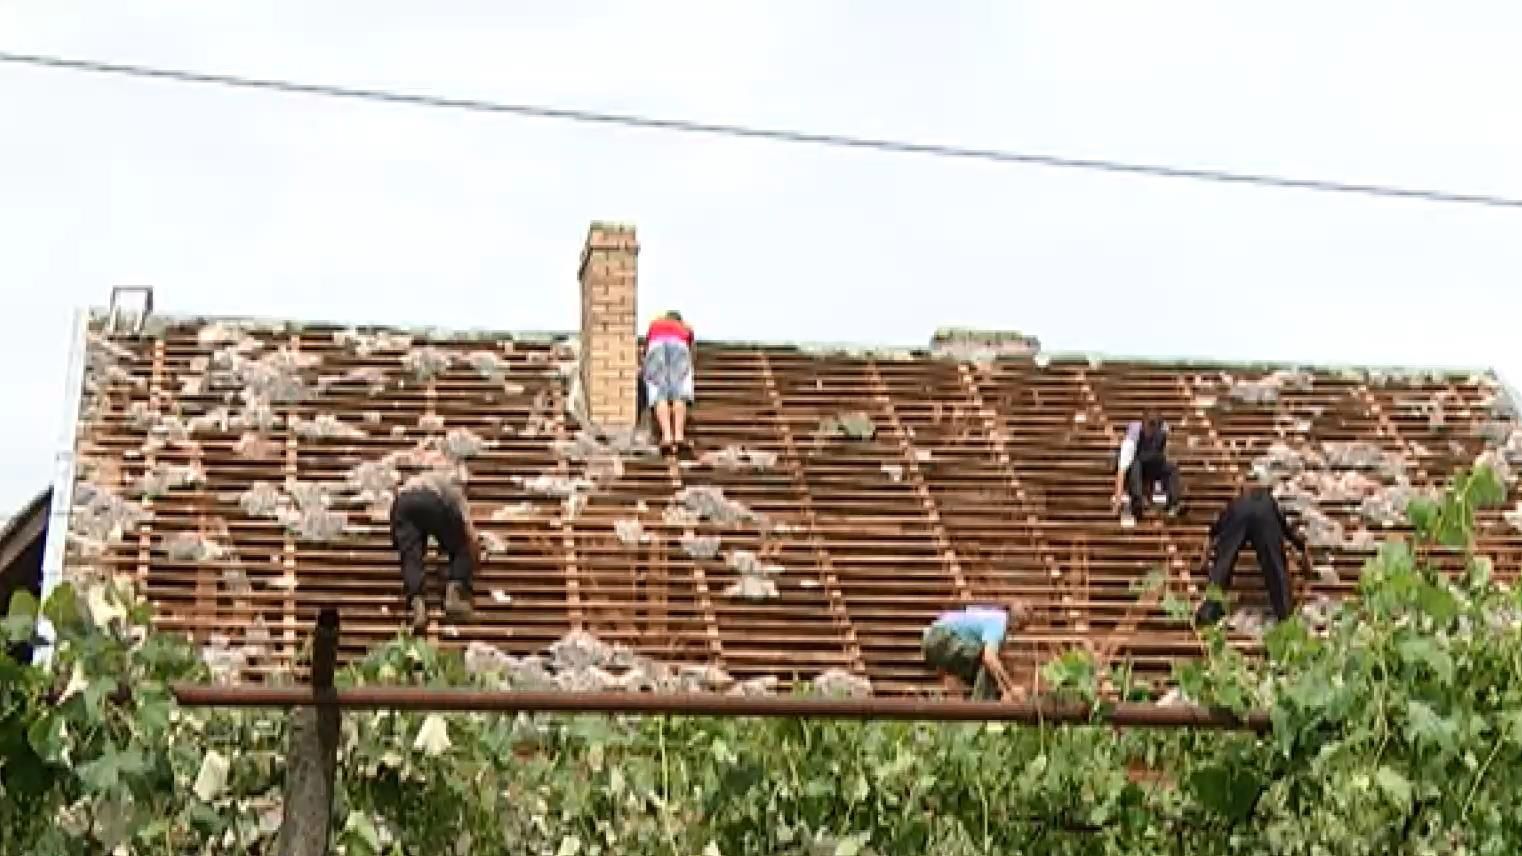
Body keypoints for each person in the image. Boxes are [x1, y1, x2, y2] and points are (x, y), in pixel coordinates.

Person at [1194, 486, 1312, 626]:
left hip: (1241, 511)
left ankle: (1208, 610)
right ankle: (1285, 615)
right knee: (1275, 567)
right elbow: (1286, 530)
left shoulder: (1236, 503)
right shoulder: (1270, 503)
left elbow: (1214, 532)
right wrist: (1302, 549)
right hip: (1264, 511)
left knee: (1223, 565)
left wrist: (1206, 558)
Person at [390, 466, 480, 634]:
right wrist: (471, 555)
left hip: (402, 505)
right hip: (431, 501)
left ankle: (418, 605)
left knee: (411, 557)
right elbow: (468, 531)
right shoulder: (454, 489)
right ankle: (454, 596)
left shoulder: (413, 482)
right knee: (461, 545)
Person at [921, 600, 1026, 700]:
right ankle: (981, 710)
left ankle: (976, 706)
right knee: (991, 665)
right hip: (941, 638)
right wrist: (1011, 687)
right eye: (1021, 629)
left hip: (933, 639)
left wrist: (1004, 688)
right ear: (1017, 624)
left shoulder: (992, 614)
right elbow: (989, 659)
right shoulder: (1000, 623)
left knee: (985, 670)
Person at [1112, 412, 1182, 525]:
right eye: (1149, 430)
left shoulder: (1163, 430)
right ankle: (1137, 501)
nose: (1151, 433)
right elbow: (1122, 471)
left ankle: (1173, 504)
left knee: (1171, 468)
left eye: (1154, 431)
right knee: (1136, 466)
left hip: (1150, 462)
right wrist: (1118, 499)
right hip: (1134, 467)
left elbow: (1161, 456)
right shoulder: (1132, 438)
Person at [642, 310, 696, 455]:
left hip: (655, 347)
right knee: (679, 394)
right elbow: (690, 352)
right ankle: (678, 436)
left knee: (660, 394)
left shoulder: (655, 324)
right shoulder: (685, 327)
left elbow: (646, 349)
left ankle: (666, 436)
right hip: (679, 346)